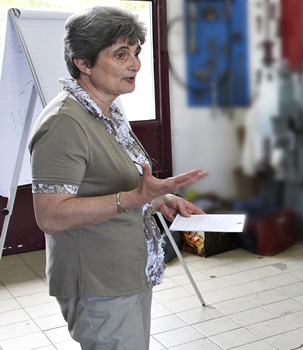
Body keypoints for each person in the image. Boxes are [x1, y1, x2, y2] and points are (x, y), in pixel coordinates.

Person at [29, 7, 209, 349]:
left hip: (126, 273)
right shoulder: (65, 123)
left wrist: (160, 199)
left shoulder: (108, 109)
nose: (136, 64)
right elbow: (50, 216)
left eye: (137, 52)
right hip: (98, 284)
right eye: (120, 54)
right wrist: (133, 199)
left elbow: (115, 182)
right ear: (84, 63)